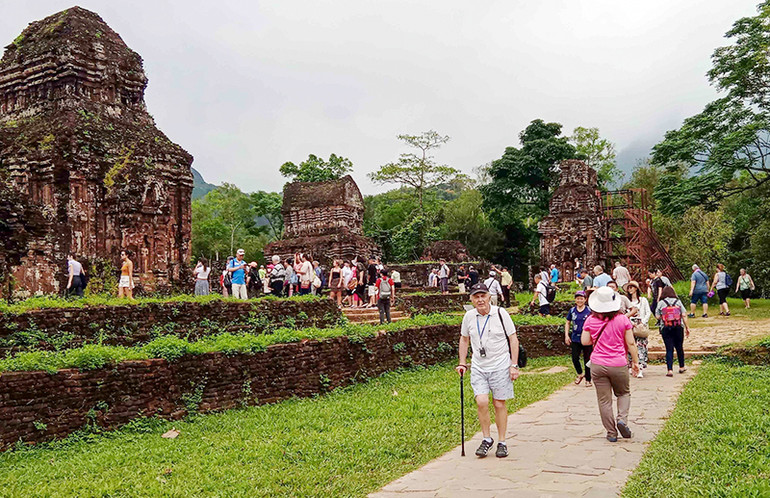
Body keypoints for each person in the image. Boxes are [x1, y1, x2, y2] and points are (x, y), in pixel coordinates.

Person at [456, 282, 520, 458]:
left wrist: (513, 365)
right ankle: (486, 438)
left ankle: (502, 441)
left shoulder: (500, 313)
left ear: (489, 297)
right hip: (479, 366)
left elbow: (513, 339)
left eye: (483, 296)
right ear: (471, 299)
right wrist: (462, 362)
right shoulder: (469, 317)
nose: (480, 300)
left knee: (499, 403)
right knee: (481, 401)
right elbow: (464, 339)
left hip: (500, 365)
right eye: (476, 297)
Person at [581, 286, 640, 442]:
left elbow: (585, 341)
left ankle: (611, 433)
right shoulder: (623, 319)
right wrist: (635, 362)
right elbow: (631, 343)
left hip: (598, 364)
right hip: (619, 363)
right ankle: (622, 419)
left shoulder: (590, 320)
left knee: (604, 400)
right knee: (623, 393)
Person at [654, 286, 691, 377]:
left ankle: (669, 370)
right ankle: (681, 366)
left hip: (666, 328)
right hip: (678, 327)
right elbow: (684, 314)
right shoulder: (677, 302)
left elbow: (657, 316)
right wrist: (687, 327)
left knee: (669, 349)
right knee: (679, 347)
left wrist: (665, 316)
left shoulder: (661, 303)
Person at [565, 290, 592, 387]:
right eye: (577, 298)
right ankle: (580, 373)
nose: (579, 300)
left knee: (587, 359)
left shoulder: (589, 311)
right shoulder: (572, 311)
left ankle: (588, 379)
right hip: (575, 338)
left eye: (581, 298)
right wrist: (566, 335)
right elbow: (568, 322)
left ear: (585, 299)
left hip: (587, 338)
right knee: (575, 358)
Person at [624, 281, 651, 378]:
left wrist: (642, 322)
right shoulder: (627, 301)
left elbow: (648, 312)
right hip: (629, 325)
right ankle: (632, 366)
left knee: (641, 347)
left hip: (640, 325)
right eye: (629, 287)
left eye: (632, 287)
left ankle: (640, 367)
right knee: (630, 347)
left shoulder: (643, 300)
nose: (630, 289)